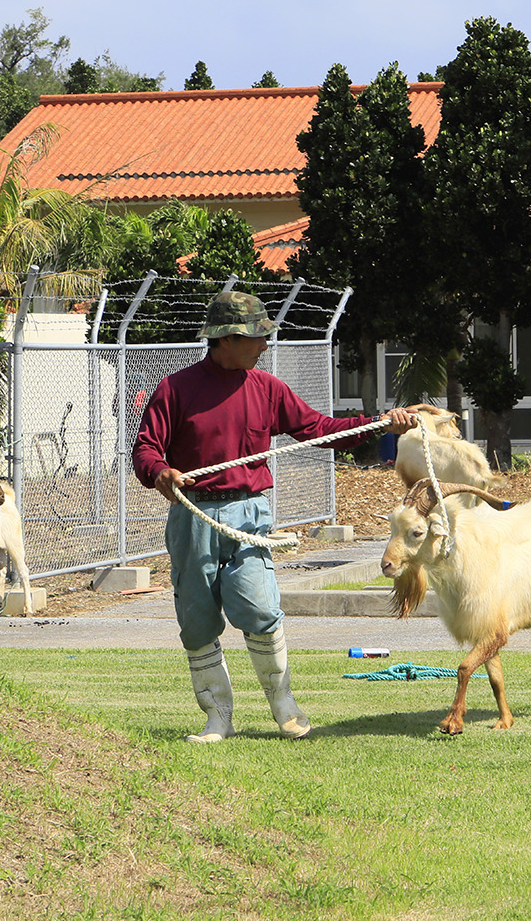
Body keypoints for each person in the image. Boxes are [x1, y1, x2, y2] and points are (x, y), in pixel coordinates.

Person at [132, 291, 417, 743]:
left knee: (260, 607)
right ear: (226, 338)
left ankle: (284, 706)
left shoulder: (267, 388)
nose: (264, 345)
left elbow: (318, 430)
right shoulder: (176, 389)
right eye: (256, 337)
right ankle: (217, 717)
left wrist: (380, 424)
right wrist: (160, 471)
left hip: (249, 515)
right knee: (197, 620)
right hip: (193, 517)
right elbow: (146, 448)